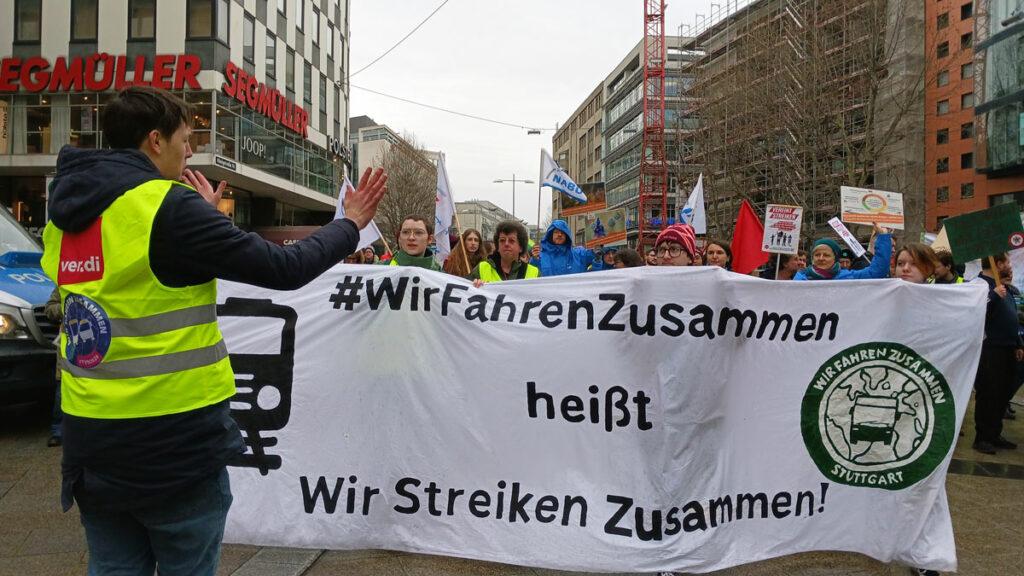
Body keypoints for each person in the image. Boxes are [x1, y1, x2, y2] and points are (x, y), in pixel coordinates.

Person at [39, 86, 387, 575]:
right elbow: (283, 268)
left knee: (113, 567)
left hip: (91, 442)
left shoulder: (66, 214)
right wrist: (348, 224)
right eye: (185, 139)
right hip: (173, 444)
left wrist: (198, 218)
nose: (189, 151)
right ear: (155, 141)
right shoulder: (166, 207)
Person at [971, 253, 1021, 454]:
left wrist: (1018, 343)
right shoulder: (979, 285)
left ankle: (994, 433)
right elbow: (973, 312)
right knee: (989, 393)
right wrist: (992, 297)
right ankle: (982, 437)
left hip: (1007, 347)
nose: (1009, 265)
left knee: (1002, 394)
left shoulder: (1003, 286)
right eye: (1007, 261)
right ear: (997, 264)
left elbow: (1011, 317)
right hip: (990, 348)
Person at [794, 224, 891, 281]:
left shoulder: (847, 277)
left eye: (826, 255)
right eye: (817, 255)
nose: (821, 258)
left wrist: (883, 237)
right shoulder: (800, 279)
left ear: (835, 259)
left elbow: (877, 272)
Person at [471, 220, 539, 284]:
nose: (506, 244)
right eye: (502, 240)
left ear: (521, 247)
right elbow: (464, 291)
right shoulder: (482, 268)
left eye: (511, 241)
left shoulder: (534, 274)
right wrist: (474, 286)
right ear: (497, 246)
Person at [530, 219, 594, 276]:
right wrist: (534, 260)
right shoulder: (539, 257)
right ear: (550, 235)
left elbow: (600, 266)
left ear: (567, 236)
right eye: (556, 232)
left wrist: (598, 243)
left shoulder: (579, 254)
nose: (559, 234)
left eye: (563, 232)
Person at [44, 286, 63, 447]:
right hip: (69, 346)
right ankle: (58, 431)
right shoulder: (65, 283)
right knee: (62, 389)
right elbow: (49, 309)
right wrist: (67, 307)